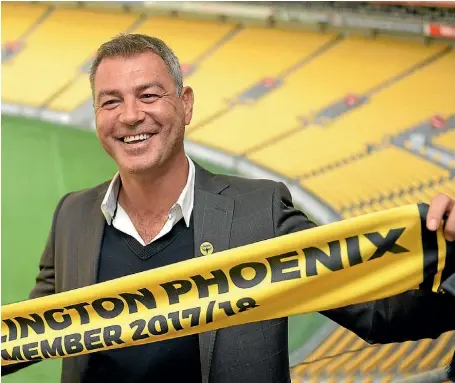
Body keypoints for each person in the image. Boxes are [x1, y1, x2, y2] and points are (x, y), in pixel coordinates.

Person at [3, 33, 455, 383]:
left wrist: (449, 248)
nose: (130, 116)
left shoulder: (260, 209)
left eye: (149, 95)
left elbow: (381, 314)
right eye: (111, 101)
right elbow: (30, 333)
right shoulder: (73, 215)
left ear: (186, 104)